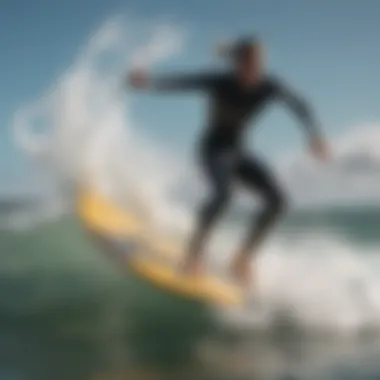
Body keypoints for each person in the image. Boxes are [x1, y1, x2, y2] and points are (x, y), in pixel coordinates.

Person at [127, 36, 330, 288]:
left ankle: (242, 259)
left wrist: (315, 136)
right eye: (250, 64)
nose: (255, 70)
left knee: (277, 201)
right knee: (223, 195)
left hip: (239, 151)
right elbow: (183, 83)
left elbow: (301, 105)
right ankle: (192, 256)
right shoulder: (220, 82)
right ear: (238, 64)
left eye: (259, 64)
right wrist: (147, 81)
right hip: (213, 149)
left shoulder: (269, 86)